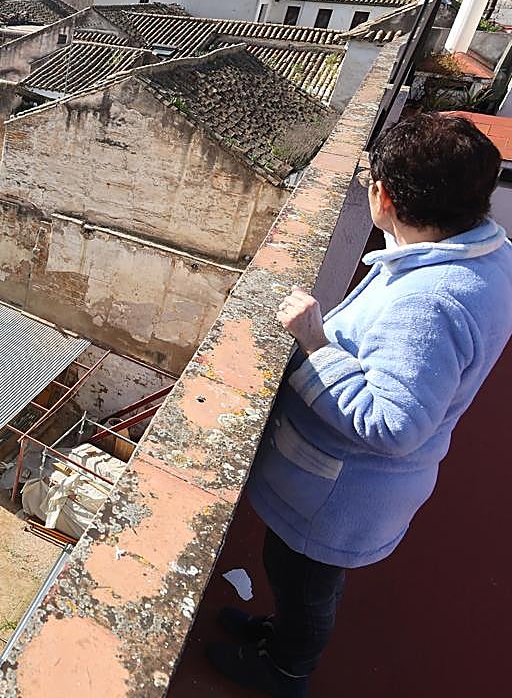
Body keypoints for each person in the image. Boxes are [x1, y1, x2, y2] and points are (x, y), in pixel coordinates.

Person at [208, 114, 512, 698]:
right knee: (296, 580)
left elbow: (392, 424)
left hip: (338, 494)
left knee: (305, 583)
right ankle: (282, 634)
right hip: (347, 490)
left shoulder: (432, 302)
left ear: (385, 196)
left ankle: (286, 671)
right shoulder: (480, 259)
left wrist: (315, 344)